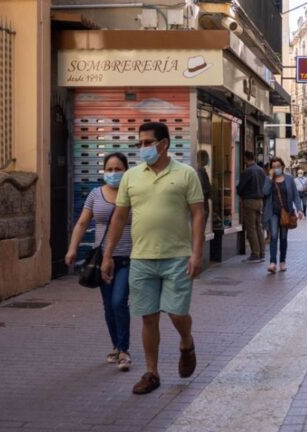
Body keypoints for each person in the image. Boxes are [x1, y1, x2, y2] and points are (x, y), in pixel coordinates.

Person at [102, 122, 205, 395]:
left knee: (176, 312)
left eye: (148, 143)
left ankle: (186, 341)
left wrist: (197, 252)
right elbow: (120, 217)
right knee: (148, 317)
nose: (143, 148)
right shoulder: (131, 177)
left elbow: (197, 214)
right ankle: (152, 373)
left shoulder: (186, 174)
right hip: (141, 258)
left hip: (178, 257)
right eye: (140, 143)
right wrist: (108, 254)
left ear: (164, 144)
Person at [66, 152, 133, 372]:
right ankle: (116, 345)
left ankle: (124, 350)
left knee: (118, 302)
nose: (114, 173)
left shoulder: (133, 193)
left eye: (118, 169)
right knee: (108, 307)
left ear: (126, 170)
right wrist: (72, 248)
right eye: (110, 169)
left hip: (128, 258)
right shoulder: (95, 194)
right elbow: (82, 223)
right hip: (103, 260)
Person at [263, 157, 304, 273]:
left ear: (282, 167)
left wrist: (299, 209)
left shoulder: (289, 179)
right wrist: (270, 178)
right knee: (274, 236)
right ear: (271, 168)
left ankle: (282, 261)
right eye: (274, 167)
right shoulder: (268, 179)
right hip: (273, 212)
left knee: (284, 238)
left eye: (278, 166)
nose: (276, 169)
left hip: (286, 212)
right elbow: (264, 192)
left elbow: (296, 195)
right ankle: (272, 262)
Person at [237, 151, 267, 262]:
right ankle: (262, 252)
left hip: (249, 200)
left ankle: (255, 253)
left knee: (251, 227)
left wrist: (239, 192)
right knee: (259, 226)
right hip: (260, 201)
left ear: (245, 158)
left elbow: (241, 187)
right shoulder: (261, 170)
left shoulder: (247, 171)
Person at [196, 150, 212, 229]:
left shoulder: (201, 169)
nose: (207, 160)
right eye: (206, 158)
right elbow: (202, 184)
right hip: (202, 197)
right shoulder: (199, 170)